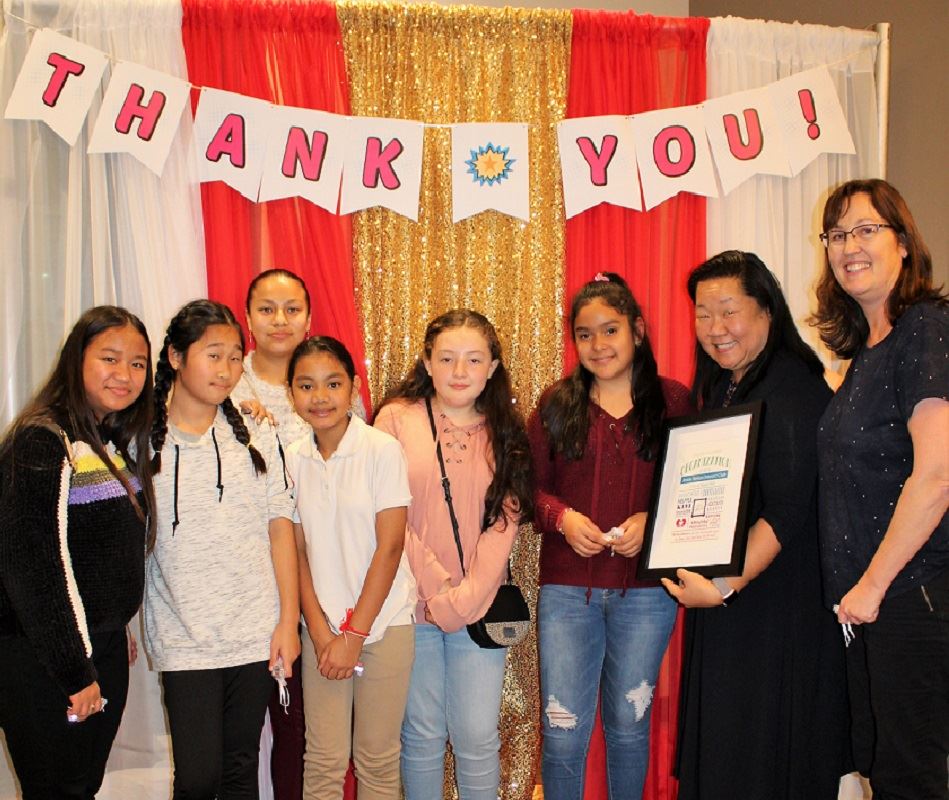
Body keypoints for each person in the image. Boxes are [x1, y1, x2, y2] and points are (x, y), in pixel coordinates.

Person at [665, 251, 850, 799]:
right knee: (730, 756)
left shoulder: (791, 388)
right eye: (703, 315)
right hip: (737, 603)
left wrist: (724, 585)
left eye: (729, 311)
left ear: (767, 310)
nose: (715, 328)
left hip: (775, 609)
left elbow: (787, 510)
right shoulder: (731, 385)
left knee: (761, 760)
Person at [528, 272, 689, 799]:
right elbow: (529, 488)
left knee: (628, 725)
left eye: (610, 330)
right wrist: (563, 519)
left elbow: (694, 483)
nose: (598, 344)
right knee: (562, 730)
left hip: (646, 593)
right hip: (567, 593)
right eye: (584, 334)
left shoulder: (674, 402)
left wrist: (652, 519)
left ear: (637, 330)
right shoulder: (556, 404)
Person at [811, 179, 948, 799]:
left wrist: (871, 586)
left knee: (910, 779)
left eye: (867, 229)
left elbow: (937, 476)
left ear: (903, 242)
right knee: (882, 768)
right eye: (838, 234)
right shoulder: (868, 351)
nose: (850, 246)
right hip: (874, 602)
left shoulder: (925, 329)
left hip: (912, 592)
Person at [374, 309, 533, 800]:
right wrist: (438, 588)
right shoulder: (395, 419)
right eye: (446, 358)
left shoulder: (506, 429)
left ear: (492, 367)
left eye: (473, 359)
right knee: (421, 734)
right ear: (427, 362)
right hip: (410, 604)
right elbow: (386, 514)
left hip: (479, 608)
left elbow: (504, 522)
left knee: (477, 738)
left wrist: (464, 599)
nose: (459, 371)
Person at [145, 299, 300, 800]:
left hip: (254, 631)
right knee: (197, 777)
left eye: (235, 357)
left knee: (240, 770)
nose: (227, 369)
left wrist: (287, 621)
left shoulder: (256, 433)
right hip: (183, 634)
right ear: (175, 357)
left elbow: (280, 527)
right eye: (213, 355)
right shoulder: (140, 440)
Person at [0, 305, 155, 797]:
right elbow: (34, 569)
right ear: (76, 360)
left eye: (137, 363)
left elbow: (99, 550)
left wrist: (115, 623)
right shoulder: (42, 440)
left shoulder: (105, 440)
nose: (125, 374)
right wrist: (74, 670)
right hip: (46, 659)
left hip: (98, 648)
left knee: (82, 786)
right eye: (110, 358)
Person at [285, 336, 415, 800]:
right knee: (323, 759)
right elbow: (296, 551)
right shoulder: (291, 458)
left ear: (354, 387)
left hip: (384, 624)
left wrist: (354, 635)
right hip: (320, 630)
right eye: (306, 386)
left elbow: (391, 546)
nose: (320, 397)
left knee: (377, 759)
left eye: (333, 383)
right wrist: (321, 634)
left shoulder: (382, 449)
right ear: (291, 393)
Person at [229, 268, 313, 799]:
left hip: (312, 576)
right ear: (247, 317)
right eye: (266, 309)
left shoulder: (325, 378)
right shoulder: (226, 380)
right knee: (235, 734)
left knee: (297, 727)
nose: (279, 320)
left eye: (291, 309)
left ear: (309, 318)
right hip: (243, 580)